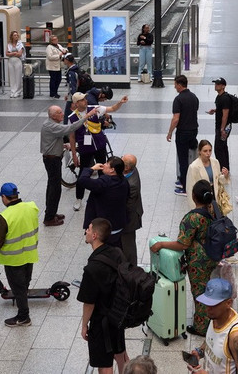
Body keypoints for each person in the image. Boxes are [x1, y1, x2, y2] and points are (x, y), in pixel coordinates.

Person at [150, 181, 220, 337]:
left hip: (198, 261)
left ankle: (201, 327)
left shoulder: (192, 218)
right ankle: (213, 316)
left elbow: (182, 244)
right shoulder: (215, 208)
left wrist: (161, 244)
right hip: (213, 254)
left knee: (200, 292)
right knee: (209, 287)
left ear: (193, 196)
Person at [78, 218, 129, 374]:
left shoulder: (92, 268)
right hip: (118, 315)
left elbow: (89, 303)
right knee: (120, 353)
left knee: (104, 362)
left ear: (94, 235)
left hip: (101, 322)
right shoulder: (117, 252)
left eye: (88, 229)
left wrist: (84, 325)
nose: (86, 231)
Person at [40, 104, 99, 226]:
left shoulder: (50, 124)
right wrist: (86, 116)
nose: (63, 114)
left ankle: (51, 212)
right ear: (53, 116)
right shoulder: (52, 126)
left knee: (52, 187)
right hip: (52, 160)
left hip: (52, 158)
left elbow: (51, 140)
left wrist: (62, 145)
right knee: (54, 189)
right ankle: (49, 217)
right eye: (60, 113)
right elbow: (70, 128)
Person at [0, 182, 39, 327]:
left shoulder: (3, 217)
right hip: (29, 254)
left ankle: (23, 317)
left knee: (18, 288)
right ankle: (22, 305)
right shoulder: (31, 207)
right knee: (24, 284)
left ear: (4, 197)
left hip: (13, 260)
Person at [69, 91, 128, 211]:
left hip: (99, 145)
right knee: (83, 172)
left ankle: (105, 192)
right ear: (76, 103)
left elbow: (112, 108)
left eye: (85, 99)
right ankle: (79, 198)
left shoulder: (95, 108)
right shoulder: (72, 117)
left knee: (103, 169)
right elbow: (72, 136)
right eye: (82, 100)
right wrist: (74, 154)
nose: (85, 101)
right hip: (85, 148)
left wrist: (120, 103)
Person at [185, 278, 238, 374]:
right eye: (207, 302)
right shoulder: (215, 317)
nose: (208, 308)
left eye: (213, 304)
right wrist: (199, 352)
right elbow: (211, 340)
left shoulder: (237, 337)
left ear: (228, 303)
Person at [78, 156, 130, 248]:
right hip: (118, 224)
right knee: (116, 249)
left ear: (112, 170)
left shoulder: (104, 182)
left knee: (104, 252)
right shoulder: (124, 181)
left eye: (107, 164)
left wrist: (92, 168)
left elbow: (83, 180)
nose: (104, 164)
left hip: (104, 228)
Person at [167, 75, 199, 194]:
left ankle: (185, 186)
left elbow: (176, 119)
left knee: (183, 159)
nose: (174, 87)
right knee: (191, 156)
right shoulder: (194, 97)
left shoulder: (178, 99)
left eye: (175, 84)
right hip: (193, 130)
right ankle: (186, 179)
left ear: (180, 85)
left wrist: (170, 132)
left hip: (183, 132)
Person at [185, 140, 229, 210]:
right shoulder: (193, 167)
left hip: (214, 195)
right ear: (199, 152)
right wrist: (194, 208)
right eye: (205, 151)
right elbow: (190, 188)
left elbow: (218, 179)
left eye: (210, 150)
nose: (208, 153)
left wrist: (225, 176)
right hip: (201, 198)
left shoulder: (215, 162)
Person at [121, 154, 144, 265]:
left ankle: (131, 269)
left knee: (128, 247)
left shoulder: (132, 184)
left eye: (122, 161)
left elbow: (127, 206)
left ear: (126, 168)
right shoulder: (131, 170)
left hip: (130, 219)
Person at [207, 77, 232, 171]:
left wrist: (222, 129)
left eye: (218, 84)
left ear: (223, 86)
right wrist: (215, 110)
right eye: (215, 84)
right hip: (221, 127)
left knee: (219, 148)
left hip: (223, 128)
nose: (216, 85)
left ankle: (223, 169)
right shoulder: (219, 97)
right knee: (223, 147)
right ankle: (226, 168)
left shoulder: (225, 98)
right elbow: (221, 109)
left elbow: (225, 115)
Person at [45, 34, 67, 99]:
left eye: (56, 39)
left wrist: (65, 51)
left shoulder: (58, 45)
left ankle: (56, 92)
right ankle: (52, 93)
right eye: (54, 39)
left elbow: (63, 49)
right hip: (52, 66)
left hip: (58, 66)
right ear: (51, 41)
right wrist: (59, 55)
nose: (56, 40)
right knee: (53, 79)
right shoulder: (49, 47)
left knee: (59, 79)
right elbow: (50, 57)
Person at [6, 30, 25, 98]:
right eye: (14, 35)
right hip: (11, 61)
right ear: (12, 36)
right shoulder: (9, 44)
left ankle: (18, 91)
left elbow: (20, 54)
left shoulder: (20, 44)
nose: (16, 36)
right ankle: (12, 91)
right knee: (12, 77)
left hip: (17, 61)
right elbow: (7, 53)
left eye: (17, 35)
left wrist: (11, 53)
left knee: (18, 76)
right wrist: (14, 53)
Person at [63, 53, 79, 123]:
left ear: (67, 60)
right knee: (71, 114)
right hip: (74, 95)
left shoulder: (71, 72)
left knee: (67, 115)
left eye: (64, 59)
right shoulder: (76, 69)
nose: (63, 61)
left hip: (72, 97)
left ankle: (66, 128)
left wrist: (73, 100)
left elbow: (72, 86)